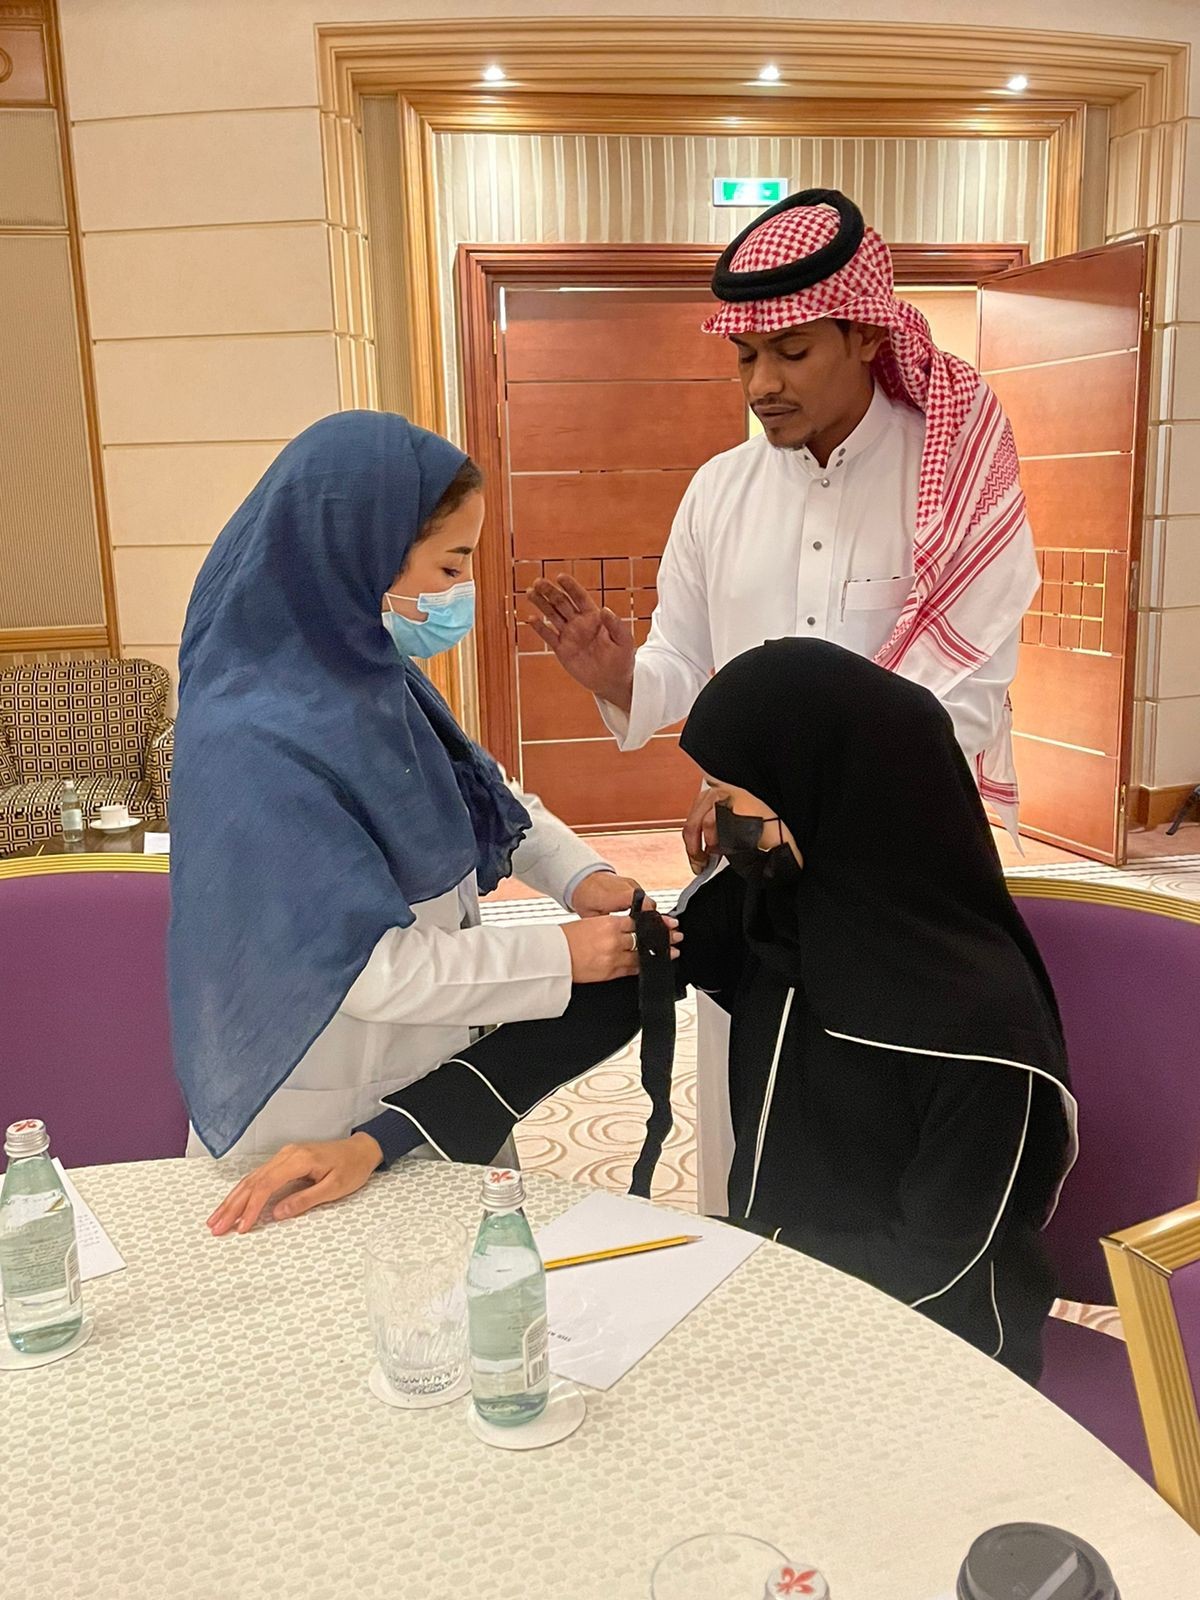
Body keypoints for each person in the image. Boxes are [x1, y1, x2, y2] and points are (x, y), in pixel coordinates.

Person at [212, 640, 1076, 1385]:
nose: (710, 821)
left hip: (936, 1356)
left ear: (822, 794)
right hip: (775, 1299)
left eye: (730, 795)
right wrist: (378, 1140)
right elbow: (584, 1015)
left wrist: (724, 1260)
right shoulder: (774, 914)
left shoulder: (983, 1036)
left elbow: (938, 1268)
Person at [527, 188, 1039, 1208]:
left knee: (892, 1137)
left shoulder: (952, 476)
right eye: (745, 357)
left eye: (793, 352)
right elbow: (684, 661)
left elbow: (966, 694)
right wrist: (617, 675)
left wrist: (791, 795)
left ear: (866, 335)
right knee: (753, 1126)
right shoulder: (721, 490)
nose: (762, 384)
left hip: (905, 874)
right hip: (756, 873)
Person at [169, 410, 678, 1209]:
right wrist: (561, 957)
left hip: (428, 1083)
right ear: (359, 555)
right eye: (449, 566)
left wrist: (579, 876)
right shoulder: (254, 743)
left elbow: (481, 788)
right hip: (322, 1106)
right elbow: (368, 971)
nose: (459, 594)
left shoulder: (366, 677)